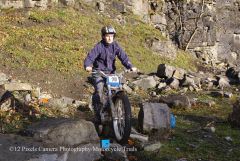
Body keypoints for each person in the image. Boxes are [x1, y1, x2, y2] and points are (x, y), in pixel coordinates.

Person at [84, 26, 137, 123]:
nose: (110, 38)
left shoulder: (115, 46)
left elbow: (123, 57)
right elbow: (90, 56)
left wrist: (130, 66)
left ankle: (114, 110)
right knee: (99, 90)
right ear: (103, 36)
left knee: (116, 90)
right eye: (108, 36)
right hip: (99, 72)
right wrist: (88, 65)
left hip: (111, 73)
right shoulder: (99, 46)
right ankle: (97, 113)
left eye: (111, 36)